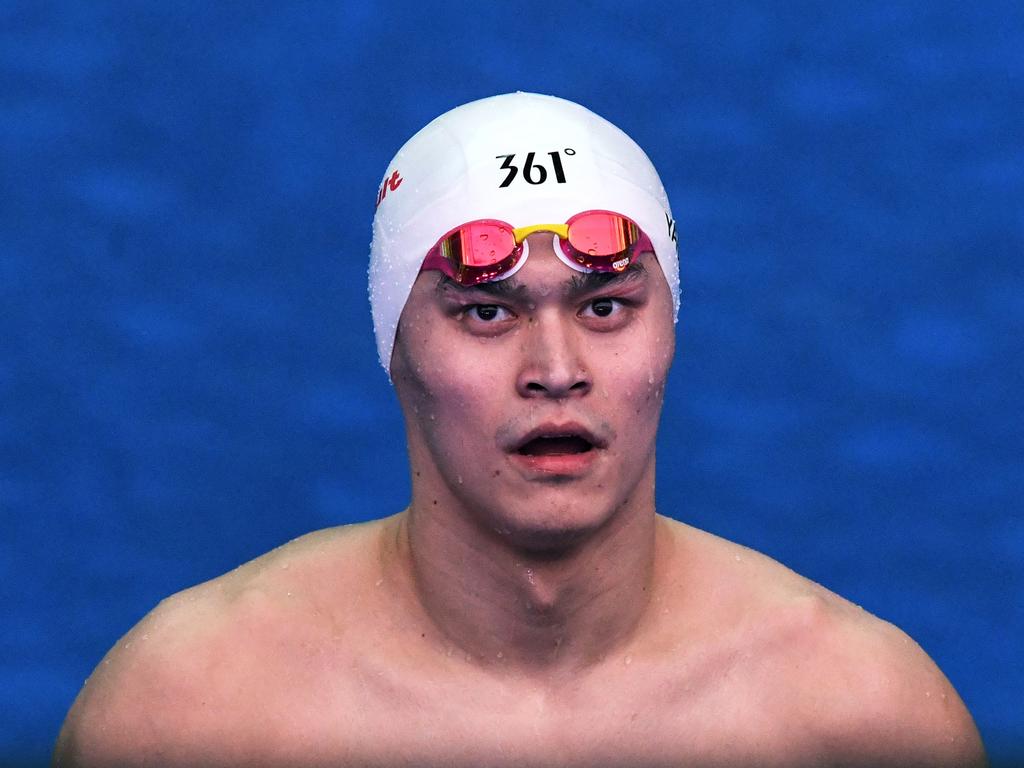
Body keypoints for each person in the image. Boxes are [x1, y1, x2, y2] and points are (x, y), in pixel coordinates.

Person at [53, 92, 986, 768]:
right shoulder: (193, 714)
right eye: (487, 314)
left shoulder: (858, 715)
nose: (556, 368)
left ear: (672, 332)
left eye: (608, 306)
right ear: (394, 346)